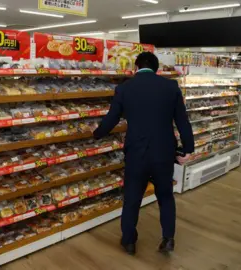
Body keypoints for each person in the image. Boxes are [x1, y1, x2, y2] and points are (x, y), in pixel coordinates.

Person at [93, 52, 194, 255]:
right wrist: (188, 148)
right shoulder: (170, 87)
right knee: (165, 196)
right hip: (164, 152)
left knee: (132, 198)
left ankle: (129, 241)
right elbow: (182, 121)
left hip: (136, 152)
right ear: (156, 69)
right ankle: (168, 239)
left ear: (136, 67)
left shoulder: (124, 88)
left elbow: (112, 118)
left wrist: (97, 133)